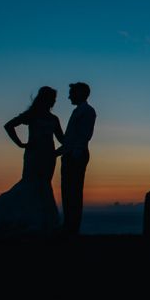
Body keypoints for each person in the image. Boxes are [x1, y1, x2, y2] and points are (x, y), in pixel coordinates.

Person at [0, 86, 63, 238]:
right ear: (43, 99)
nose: (53, 101)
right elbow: (9, 126)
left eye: (54, 99)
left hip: (48, 158)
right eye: (51, 98)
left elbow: (61, 138)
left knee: (44, 186)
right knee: (30, 185)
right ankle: (23, 221)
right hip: (34, 156)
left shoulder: (54, 119)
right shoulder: (32, 115)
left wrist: (68, 144)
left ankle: (43, 223)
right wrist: (20, 144)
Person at [57, 82, 96, 236]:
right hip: (71, 154)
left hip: (76, 156)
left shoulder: (87, 111)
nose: (69, 97)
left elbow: (83, 136)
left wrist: (73, 153)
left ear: (80, 93)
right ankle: (69, 225)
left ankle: (71, 227)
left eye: (72, 93)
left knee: (73, 191)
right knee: (68, 191)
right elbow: (71, 138)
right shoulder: (79, 111)